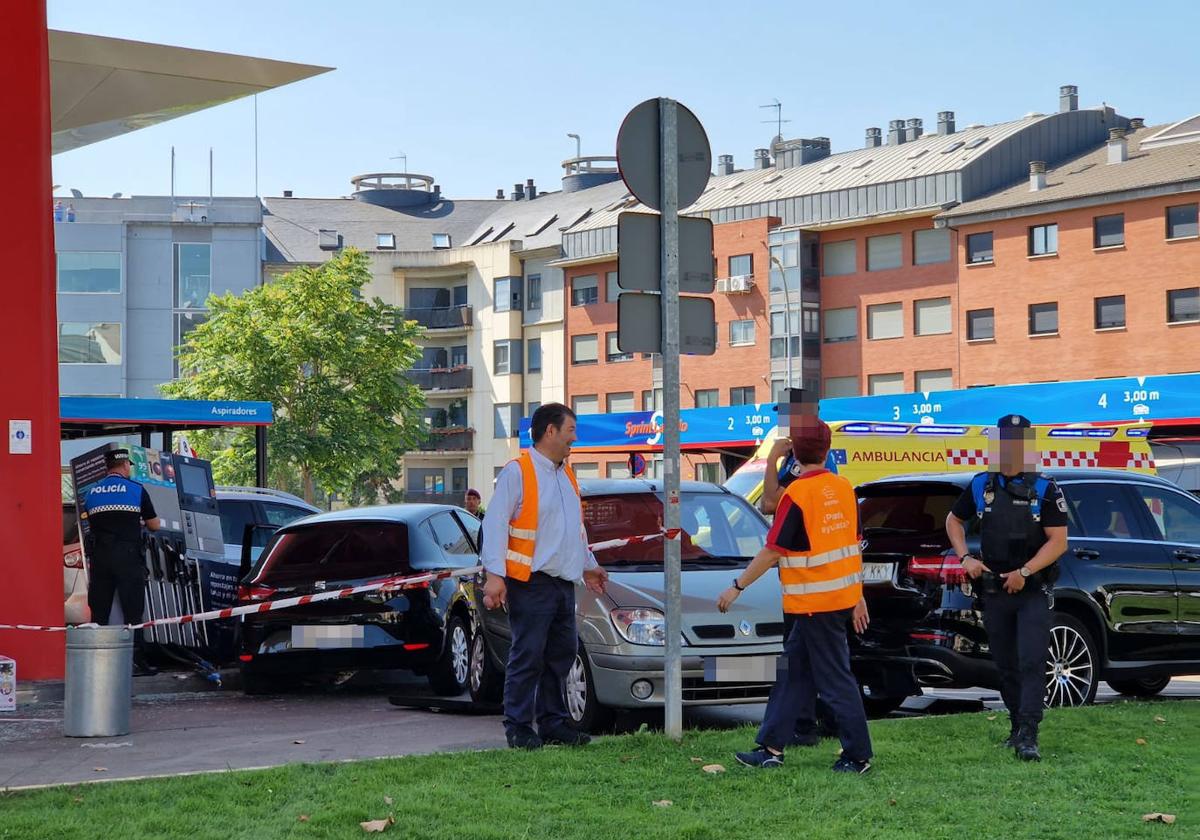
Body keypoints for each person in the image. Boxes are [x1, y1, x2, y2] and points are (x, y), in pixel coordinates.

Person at [717, 419, 873, 773]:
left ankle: (858, 755)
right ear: (828, 450)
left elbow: (773, 551)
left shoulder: (796, 495)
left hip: (814, 605)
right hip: (834, 602)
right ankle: (771, 749)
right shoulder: (845, 489)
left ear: (795, 457)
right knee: (792, 676)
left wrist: (737, 586)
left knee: (835, 681)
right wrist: (858, 596)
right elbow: (853, 547)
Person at [479, 404, 609, 749]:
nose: (574, 438)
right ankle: (519, 727)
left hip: (562, 583)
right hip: (531, 582)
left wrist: (588, 565)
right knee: (529, 655)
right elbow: (493, 526)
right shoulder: (518, 472)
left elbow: (572, 532)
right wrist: (495, 576)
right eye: (570, 430)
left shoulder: (566, 474)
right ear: (549, 431)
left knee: (562, 654)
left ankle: (553, 723)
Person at [946, 414, 1068, 762]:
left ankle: (1029, 733)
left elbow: (1058, 542)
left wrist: (1025, 571)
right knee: (1005, 663)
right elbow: (953, 520)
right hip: (995, 590)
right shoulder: (980, 485)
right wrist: (964, 558)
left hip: (1031, 589)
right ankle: (1016, 727)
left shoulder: (1045, 489)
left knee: (1031, 660)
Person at [82, 448, 162, 676]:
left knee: (99, 612)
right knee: (133, 612)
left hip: (100, 558)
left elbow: (91, 520)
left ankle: (97, 662)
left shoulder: (92, 492)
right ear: (125, 465)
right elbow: (154, 524)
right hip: (128, 557)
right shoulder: (136, 489)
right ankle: (137, 662)